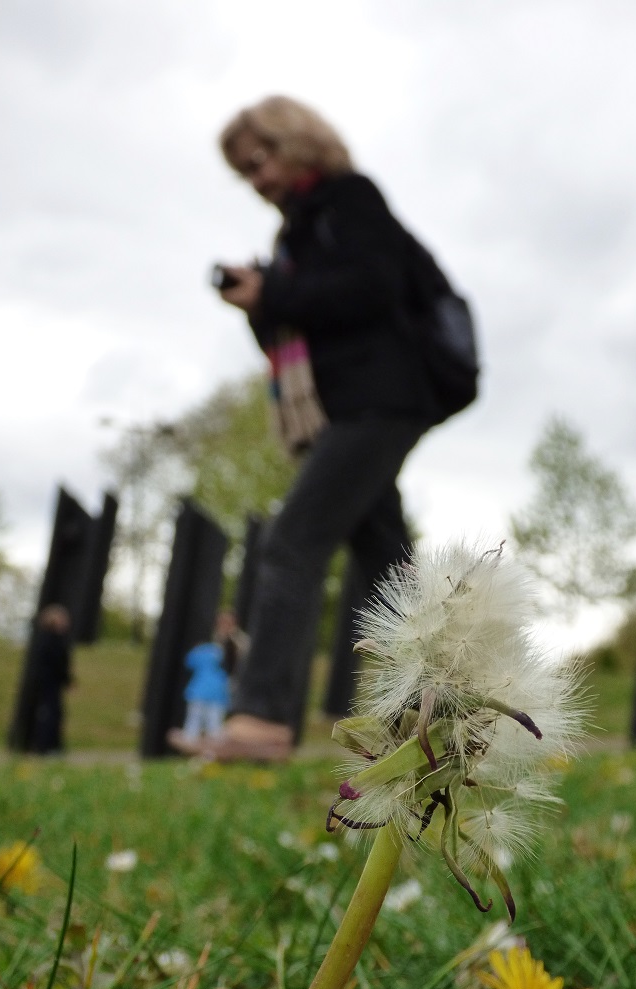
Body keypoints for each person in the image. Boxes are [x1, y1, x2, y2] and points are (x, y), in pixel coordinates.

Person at [170, 95, 438, 762]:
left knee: (292, 542)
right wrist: (260, 300)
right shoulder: (293, 236)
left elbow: (370, 290)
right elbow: (294, 331)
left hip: (382, 396)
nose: (256, 180)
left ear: (296, 142)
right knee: (387, 563)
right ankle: (440, 710)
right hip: (345, 406)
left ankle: (260, 722)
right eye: (244, 173)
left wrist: (278, 293)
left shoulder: (349, 201)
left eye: (259, 161)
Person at [29, 604, 73, 755]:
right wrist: (67, 679)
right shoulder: (53, 640)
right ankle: (47, 746)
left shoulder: (45, 638)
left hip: (48, 682)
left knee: (52, 713)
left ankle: (48, 745)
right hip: (49, 683)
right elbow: (58, 663)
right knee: (50, 714)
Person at [176, 631, 231, 742]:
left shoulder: (200, 652)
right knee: (213, 724)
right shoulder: (218, 654)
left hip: (201, 693)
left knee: (195, 721)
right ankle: (212, 746)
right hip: (214, 694)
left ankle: (191, 744)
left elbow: (189, 662)